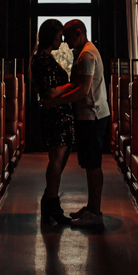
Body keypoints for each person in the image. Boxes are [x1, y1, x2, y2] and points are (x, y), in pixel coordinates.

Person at [43, 19, 110, 228]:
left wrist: (55, 101)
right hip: (91, 115)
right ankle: (91, 208)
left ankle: (95, 212)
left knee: (93, 166)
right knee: (91, 164)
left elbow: (83, 90)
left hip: (92, 116)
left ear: (79, 33)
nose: (64, 41)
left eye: (68, 36)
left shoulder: (87, 55)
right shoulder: (83, 52)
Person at [31, 18, 75, 225]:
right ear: (51, 37)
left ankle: (50, 200)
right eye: (59, 36)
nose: (62, 40)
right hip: (56, 115)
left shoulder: (41, 57)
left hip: (57, 113)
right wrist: (72, 86)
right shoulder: (43, 59)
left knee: (58, 158)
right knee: (57, 159)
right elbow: (49, 92)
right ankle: (52, 202)